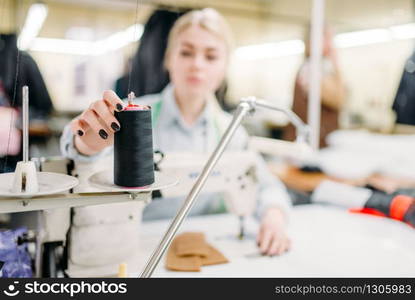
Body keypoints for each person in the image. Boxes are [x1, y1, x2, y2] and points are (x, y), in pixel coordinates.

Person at [61, 8, 292, 256]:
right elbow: (76, 154)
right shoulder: (132, 116)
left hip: (205, 242)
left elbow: (267, 185)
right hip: (136, 245)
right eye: (186, 52)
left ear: (225, 66)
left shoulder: (231, 132)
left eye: (211, 56)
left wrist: (273, 217)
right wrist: (87, 144)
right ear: (169, 59)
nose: (197, 64)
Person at [284, 25, 345, 148]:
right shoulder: (310, 70)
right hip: (308, 146)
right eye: (327, 38)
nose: (331, 44)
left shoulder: (321, 68)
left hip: (318, 143)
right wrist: (336, 62)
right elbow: (338, 100)